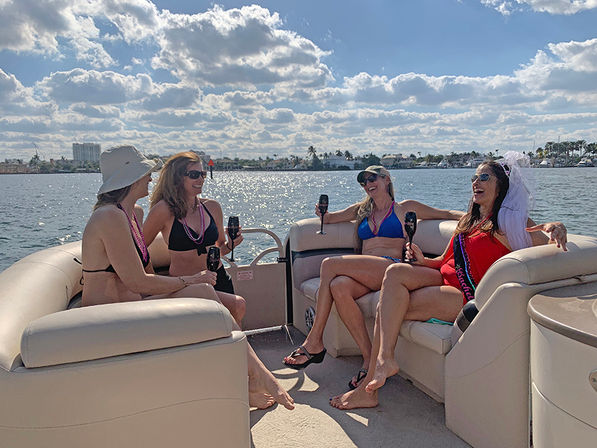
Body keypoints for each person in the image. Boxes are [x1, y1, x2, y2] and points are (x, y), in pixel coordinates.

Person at [330, 154, 567, 409]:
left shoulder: (507, 222)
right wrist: (422, 260)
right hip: (442, 278)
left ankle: (370, 384)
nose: (476, 181)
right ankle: (384, 361)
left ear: (501, 186)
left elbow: (543, 236)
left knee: (386, 308)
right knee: (395, 272)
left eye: (484, 177)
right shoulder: (468, 221)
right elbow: (443, 260)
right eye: (474, 177)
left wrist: (556, 226)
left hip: (467, 293)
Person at [81, 145, 294, 411]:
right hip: (108, 312)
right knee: (205, 292)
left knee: (214, 296)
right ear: (131, 178)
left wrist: (202, 271)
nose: (150, 177)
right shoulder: (109, 216)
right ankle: (258, 375)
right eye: (145, 172)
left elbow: (142, 265)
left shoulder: (131, 214)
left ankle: (252, 376)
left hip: (134, 301)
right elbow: (137, 281)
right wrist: (189, 280)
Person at [283, 165, 463, 390]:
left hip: (390, 268)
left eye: (371, 178)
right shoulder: (361, 210)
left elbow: (445, 214)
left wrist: (473, 217)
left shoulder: (404, 208)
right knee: (339, 286)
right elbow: (330, 219)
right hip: (366, 273)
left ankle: (314, 341)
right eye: (363, 181)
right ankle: (369, 360)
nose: (367, 184)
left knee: (329, 265)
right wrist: (321, 213)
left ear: (386, 179)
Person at [143, 152, 246, 326]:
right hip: (186, 285)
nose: (201, 179)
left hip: (217, 278)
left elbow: (219, 249)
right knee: (236, 307)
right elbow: (139, 248)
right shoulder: (163, 210)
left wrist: (230, 244)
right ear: (177, 178)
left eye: (203, 174)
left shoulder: (212, 207)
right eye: (194, 174)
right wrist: (151, 278)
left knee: (230, 323)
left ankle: (234, 351)